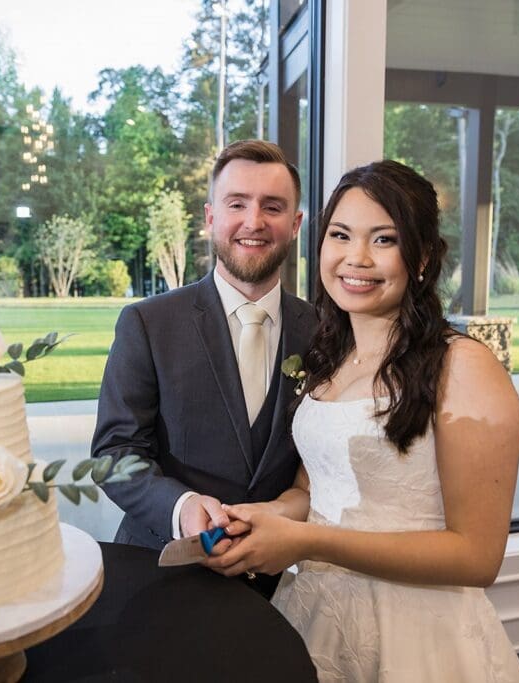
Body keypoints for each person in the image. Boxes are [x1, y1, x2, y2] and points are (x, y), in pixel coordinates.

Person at [207, 160, 519, 681]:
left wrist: (308, 542)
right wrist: (262, 516)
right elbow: (313, 490)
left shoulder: (465, 367)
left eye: (384, 240)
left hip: (417, 636)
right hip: (316, 614)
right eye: (341, 235)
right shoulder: (330, 359)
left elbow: (477, 556)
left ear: (422, 256)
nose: (356, 258)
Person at [91, 140, 317, 598]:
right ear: (211, 217)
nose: (254, 222)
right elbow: (114, 453)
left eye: (272, 207)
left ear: (294, 225)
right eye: (237, 204)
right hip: (159, 577)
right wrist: (182, 505)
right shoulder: (147, 324)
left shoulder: (324, 332)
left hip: (276, 587)